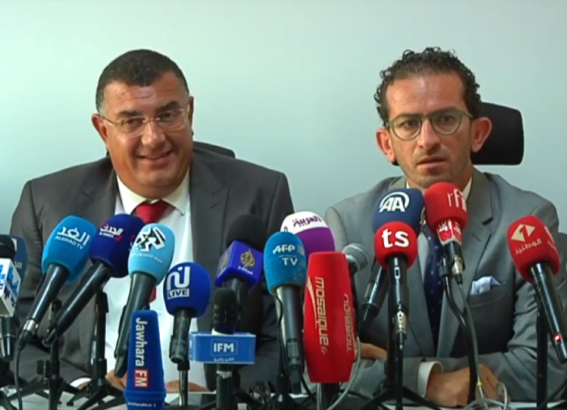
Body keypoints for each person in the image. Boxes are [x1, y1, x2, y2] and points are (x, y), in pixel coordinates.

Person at [11, 49, 293, 393]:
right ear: (103, 130)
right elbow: (17, 338)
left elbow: (284, 338)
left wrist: (220, 396)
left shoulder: (259, 195)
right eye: (131, 121)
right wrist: (85, 390)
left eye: (168, 115)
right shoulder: (47, 203)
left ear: (190, 113)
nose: (154, 138)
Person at [325, 47, 567, 406]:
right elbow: (322, 372)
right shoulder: (347, 225)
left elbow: (544, 369)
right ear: (387, 143)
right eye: (409, 124)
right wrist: (428, 380)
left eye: (446, 119)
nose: (427, 140)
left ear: (478, 133)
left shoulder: (527, 221)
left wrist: (396, 372)